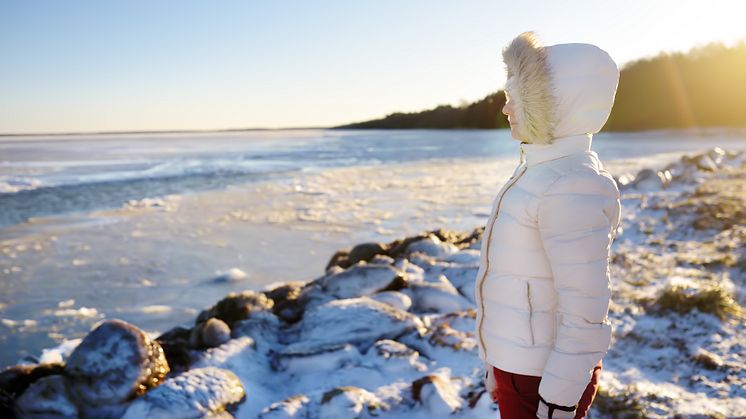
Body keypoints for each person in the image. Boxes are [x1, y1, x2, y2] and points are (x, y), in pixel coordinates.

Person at [473, 31, 622, 419]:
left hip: (544, 379)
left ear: (555, 105)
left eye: (515, 99)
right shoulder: (538, 173)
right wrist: (496, 361)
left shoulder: (570, 185)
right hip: (520, 368)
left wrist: (558, 399)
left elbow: (585, 311)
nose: (506, 109)